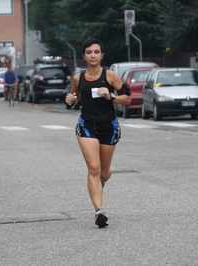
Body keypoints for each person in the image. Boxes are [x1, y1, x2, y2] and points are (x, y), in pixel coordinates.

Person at [65, 38, 131, 228]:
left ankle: (100, 183)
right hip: (86, 126)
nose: (92, 55)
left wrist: (111, 96)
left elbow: (128, 99)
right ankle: (99, 211)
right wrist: (70, 99)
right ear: (84, 56)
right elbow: (74, 96)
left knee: (103, 172)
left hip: (109, 127)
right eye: (89, 52)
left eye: (96, 52)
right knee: (93, 168)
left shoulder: (111, 76)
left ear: (102, 55)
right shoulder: (78, 77)